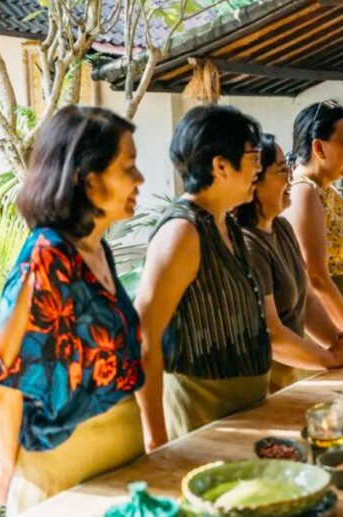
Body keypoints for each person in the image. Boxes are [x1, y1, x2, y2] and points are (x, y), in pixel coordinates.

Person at [0, 106, 146, 514]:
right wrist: (6, 468)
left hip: (121, 464)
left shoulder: (94, 247)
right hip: (67, 478)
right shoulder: (46, 259)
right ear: (87, 180)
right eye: (128, 167)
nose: (139, 179)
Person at [135, 105, 270, 448]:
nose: (259, 167)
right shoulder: (182, 232)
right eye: (253, 155)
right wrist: (156, 441)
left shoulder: (226, 222)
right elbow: (144, 336)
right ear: (220, 165)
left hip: (238, 417)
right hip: (201, 417)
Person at [235, 133, 343, 391]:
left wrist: (342, 343)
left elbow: (308, 299)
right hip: (257, 382)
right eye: (282, 171)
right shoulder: (248, 244)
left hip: (288, 375)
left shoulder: (281, 227)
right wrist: (330, 358)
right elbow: (272, 332)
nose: (290, 178)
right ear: (254, 181)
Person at [283, 100, 343, 337]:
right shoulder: (303, 192)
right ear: (319, 148)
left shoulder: (330, 192)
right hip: (328, 333)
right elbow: (316, 278)